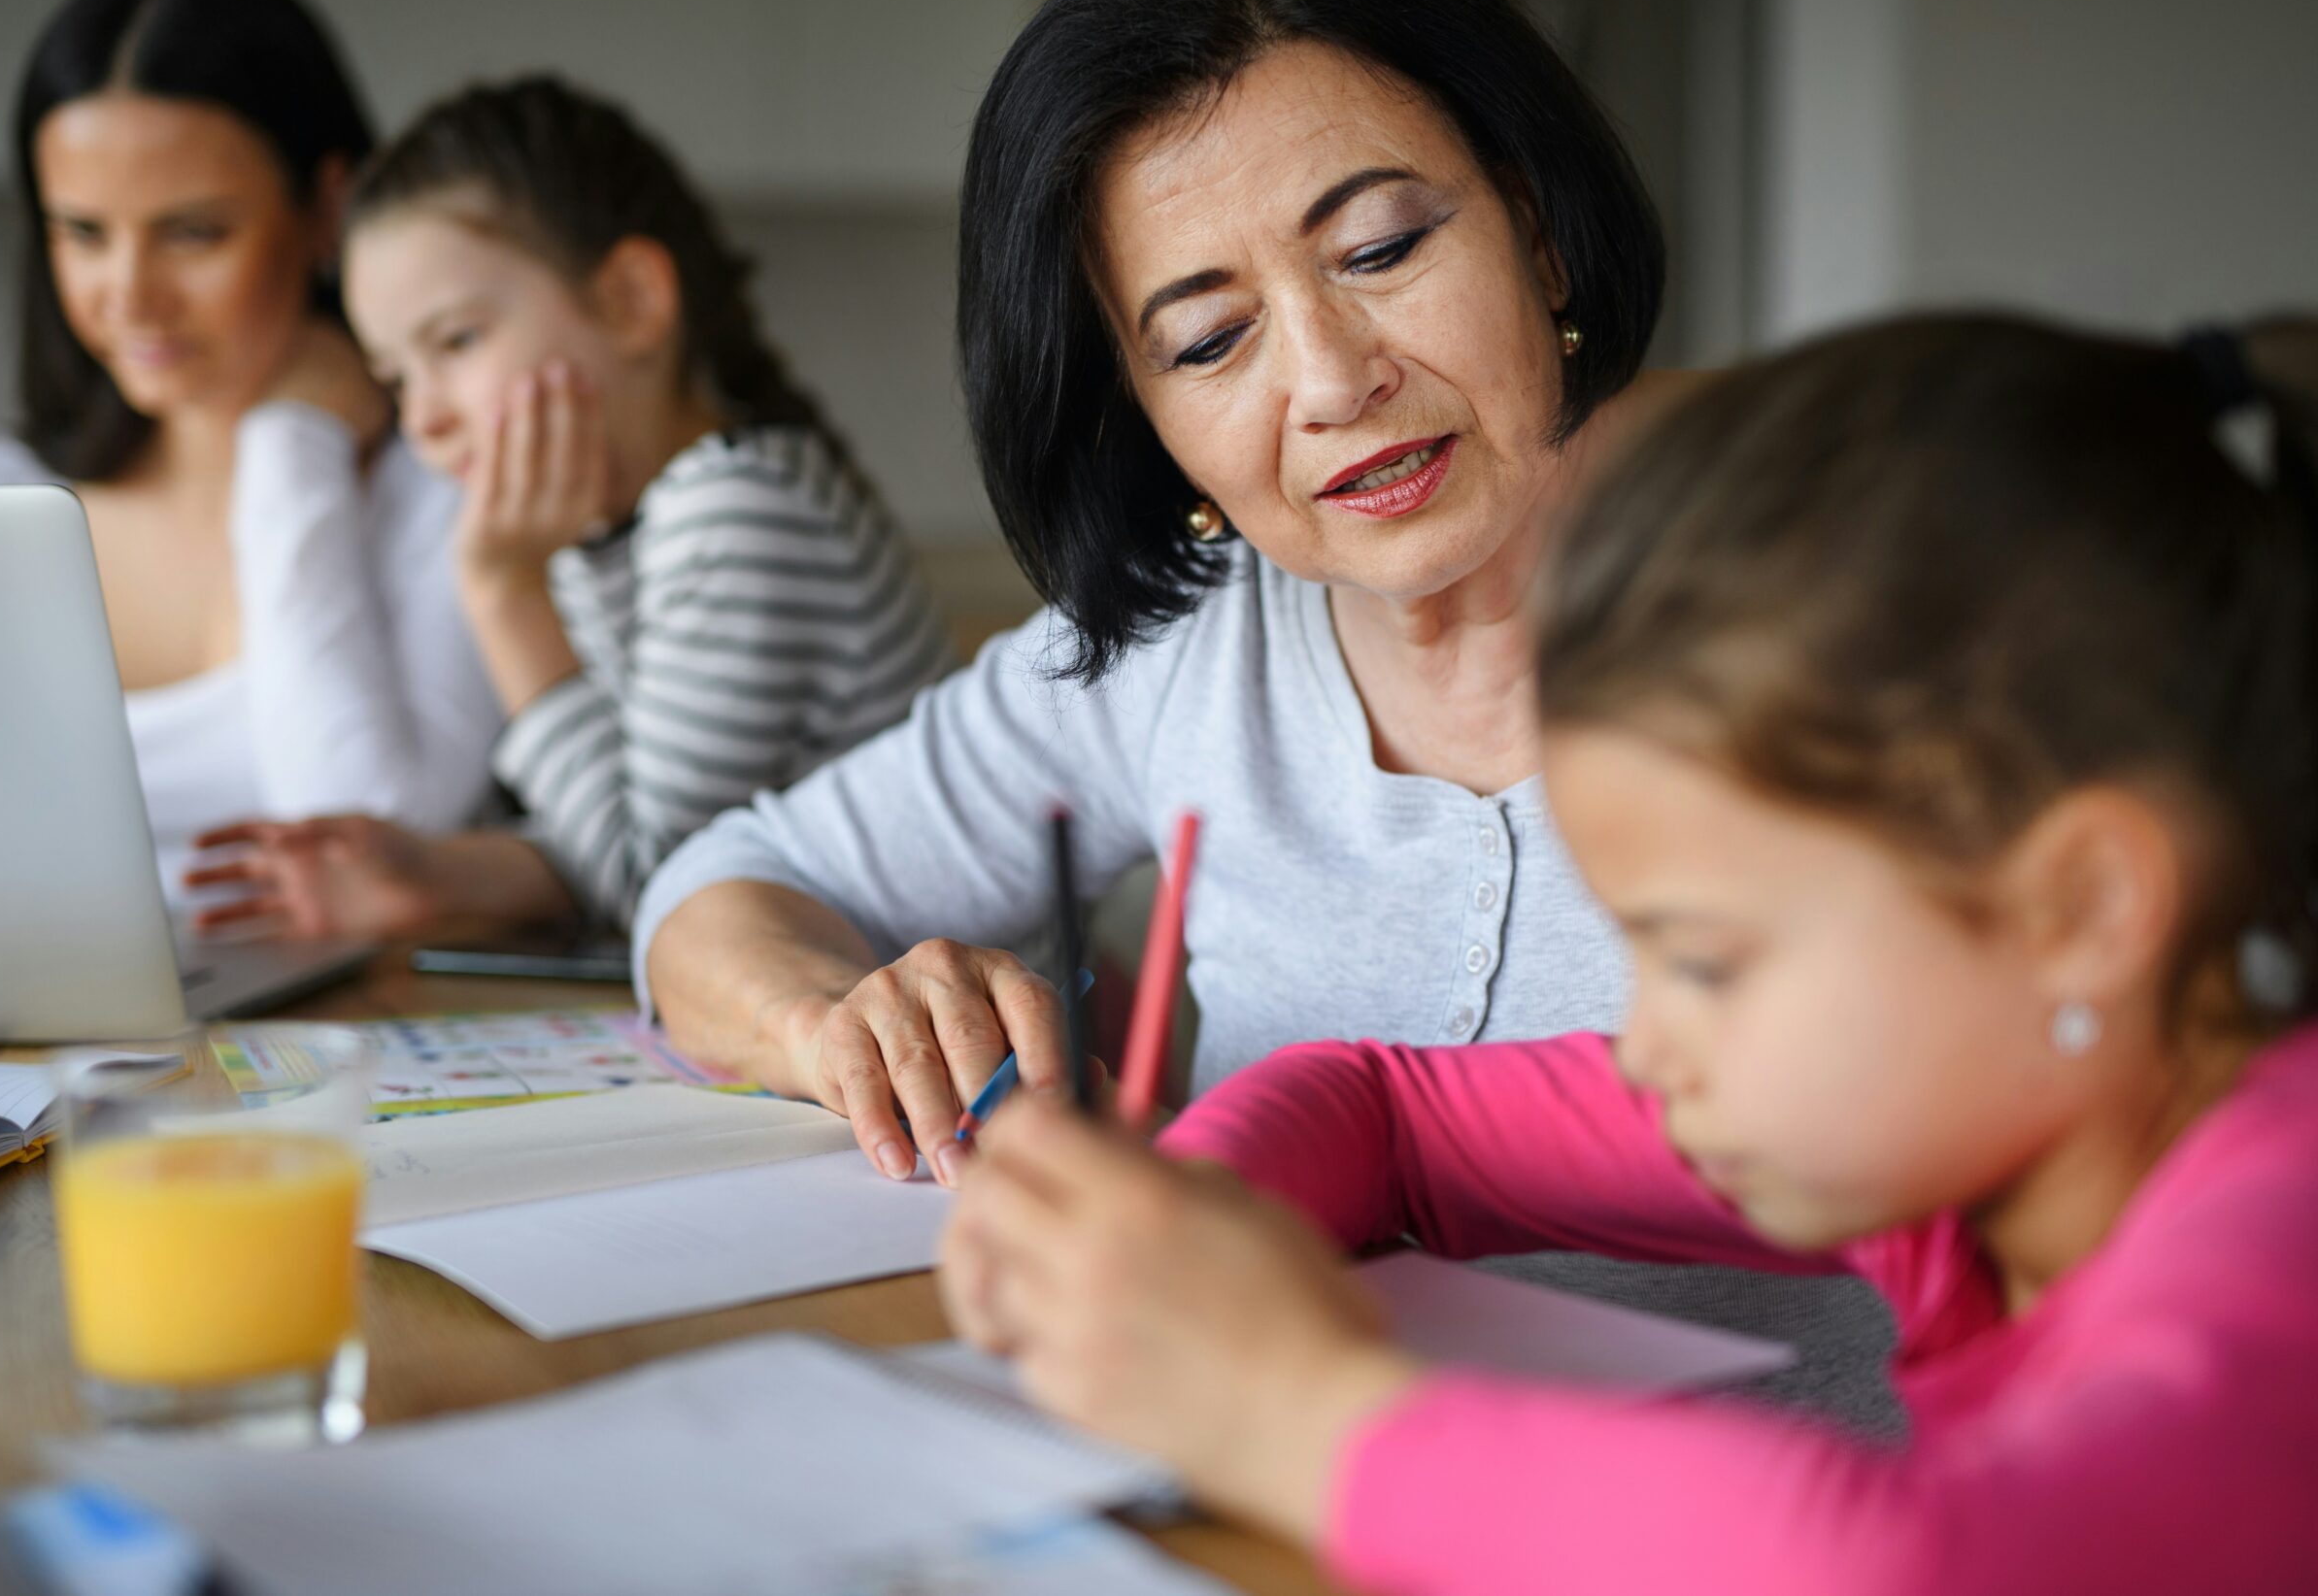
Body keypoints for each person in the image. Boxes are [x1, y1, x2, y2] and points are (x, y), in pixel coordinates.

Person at [637, 0, 1894, 1425]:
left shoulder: (1865, 594)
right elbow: (722, 884)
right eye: (1210, 338)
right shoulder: (1187, 639)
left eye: (1378, 251)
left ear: (1539, 232)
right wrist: (834, 1023)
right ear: (1141, 413)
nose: (1327, 377)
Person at [939, 315, 2318, 1595]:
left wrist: (1287, 1403)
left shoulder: (2275, 1258)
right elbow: (1386, 1108)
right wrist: (1172, 1233)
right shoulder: (1980, 1140)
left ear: (2078, 907)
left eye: (1703, 961)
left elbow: (1900, 1562)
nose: (1644, 1042)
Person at [184, 78, 953, 940]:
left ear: (630, 302)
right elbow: (638, 821)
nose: (423, 417)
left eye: (457, 341)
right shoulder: (626, 526)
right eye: (396, 377)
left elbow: (662, 889)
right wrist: (437, 873)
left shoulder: (735, 511)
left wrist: (503, 592)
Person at [0, 0, 501, 901]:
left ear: (328, 207)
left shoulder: (440, 497)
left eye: (194, 233)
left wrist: (293, 448)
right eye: (83, 233)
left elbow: (371, 849)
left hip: (337, 1039)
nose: (131, 298)